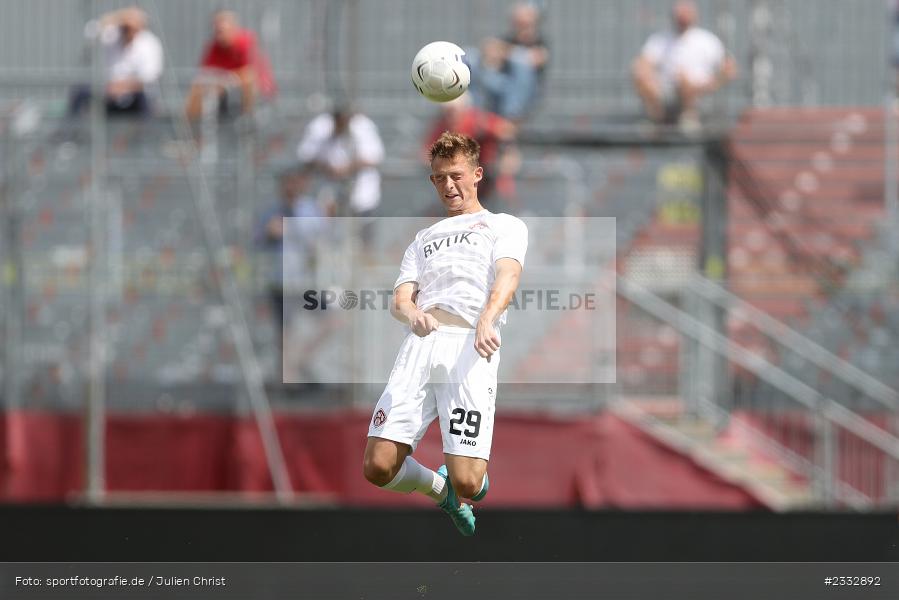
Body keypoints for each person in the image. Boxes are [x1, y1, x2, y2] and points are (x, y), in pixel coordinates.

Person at [362, 132, 528, 536]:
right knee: (378, 467)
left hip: (469, 348)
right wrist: (412, 313)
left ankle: (460, 486)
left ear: (477, 174)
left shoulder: (503, 225)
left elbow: (508, 275)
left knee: (470, 482)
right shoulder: (422, 239)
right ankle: (441, 492)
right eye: (439, 178)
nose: (448, 186)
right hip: (420, 347)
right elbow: (400, 300)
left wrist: (488, 318)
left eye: (456, 175)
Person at [255, 165, 325, 380]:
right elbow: (258, 242)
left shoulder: (311, 211)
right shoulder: (272, 212)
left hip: (306, 282)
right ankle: (289, 379)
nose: (291, 187)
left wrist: (292, 231)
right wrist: (269, 233)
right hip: (281, 282)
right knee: (285, 333)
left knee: (333, 321)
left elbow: (320, 241)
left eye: (295, 182)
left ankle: (300, 361)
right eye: (287, 183)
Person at [632, 0, 737, 131]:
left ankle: (689, 117)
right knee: (642, 75)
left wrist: (710, 85)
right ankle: (656, 119)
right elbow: (644, 63)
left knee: (684, 80)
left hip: (698, 94)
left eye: (686, 14)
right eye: (680, 15)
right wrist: (645, 73)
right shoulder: (659, 39)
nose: (682, 18)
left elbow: (729, 68)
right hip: (665, 92)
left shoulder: (707, 40)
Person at [67, 6, 163, 117]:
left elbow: (149, 77)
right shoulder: (113, 36)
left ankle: (147, 128)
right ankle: (71, 127)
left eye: (132, 27)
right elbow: (90, 32)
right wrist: (118, 17)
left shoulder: (149, 43)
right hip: (109, 91)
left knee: (145, 100)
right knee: (80, 93)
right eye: (126, 27)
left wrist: (123, 86)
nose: (129, 31)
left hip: (136, 93)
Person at [424, 95, 517, 205]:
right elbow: (426, 151)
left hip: (488, 178)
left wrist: (506, 154)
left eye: (453, 111)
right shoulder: (442, 127)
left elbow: (506, 130)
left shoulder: (478, 120)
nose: (450, 116)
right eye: (447, 112)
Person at [185, 9, 276, 119]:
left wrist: (225, 81)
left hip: (257, 91)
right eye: (217, 29)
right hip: (226, 91)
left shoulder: (245, 42)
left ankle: (248, 121)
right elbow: (205, 73)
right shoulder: (214, 47)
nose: (219, 32)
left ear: (233, 28)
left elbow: (249, 73)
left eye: (222, 29)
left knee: (248, 78)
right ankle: (190, 123)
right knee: (198, 85)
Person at [296, 105, 384, 218]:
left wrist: (347, 168)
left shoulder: (363, 126)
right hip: (326, 198)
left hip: (361, 197)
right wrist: (328, 168)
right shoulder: (320, 125)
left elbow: (374, 158)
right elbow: (306, 156)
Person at [465, 3, 549, 121]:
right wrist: (492, 53)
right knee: (471, 56)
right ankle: (470, 115)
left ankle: (511, 118)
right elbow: (491, 56)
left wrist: (505, 52)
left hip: (525, 95)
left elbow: (535, 59)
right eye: (518, 24)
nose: (522, 29)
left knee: (521, 63)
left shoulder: (540, 42)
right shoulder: (508, 40)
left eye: (526, 25)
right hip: (500, 87)